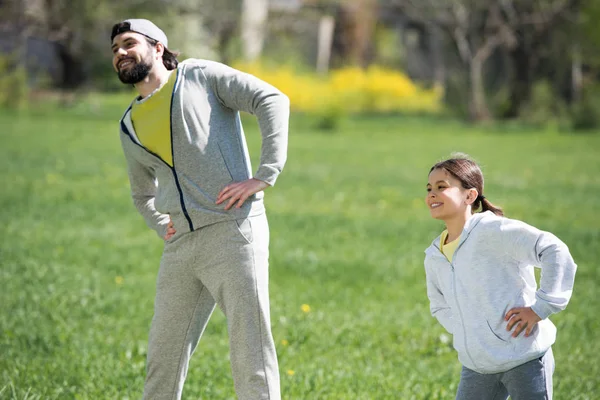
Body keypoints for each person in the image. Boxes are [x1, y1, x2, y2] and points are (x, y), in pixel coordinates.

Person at [110, 18, 289, 400]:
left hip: (233, 231)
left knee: (250, 348)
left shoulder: (200, 76)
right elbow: (142, 194)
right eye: (114, 49)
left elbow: (271, 99)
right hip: (181, 248)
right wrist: (163, 226)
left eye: (129, 43)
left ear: (158, 47)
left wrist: (265, 174)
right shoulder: (129, 125)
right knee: (163, 356)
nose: (121, 53)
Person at [423, 155, 577, 400]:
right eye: (429, 188)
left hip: (523, 356)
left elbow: (553, 249)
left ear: (469, 196)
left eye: (442, 187)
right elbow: (439, 304)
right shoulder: (434, 254)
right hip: (478, 366)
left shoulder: (493, 231)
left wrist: (541, 307)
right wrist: (470, 333)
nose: (432, 193)